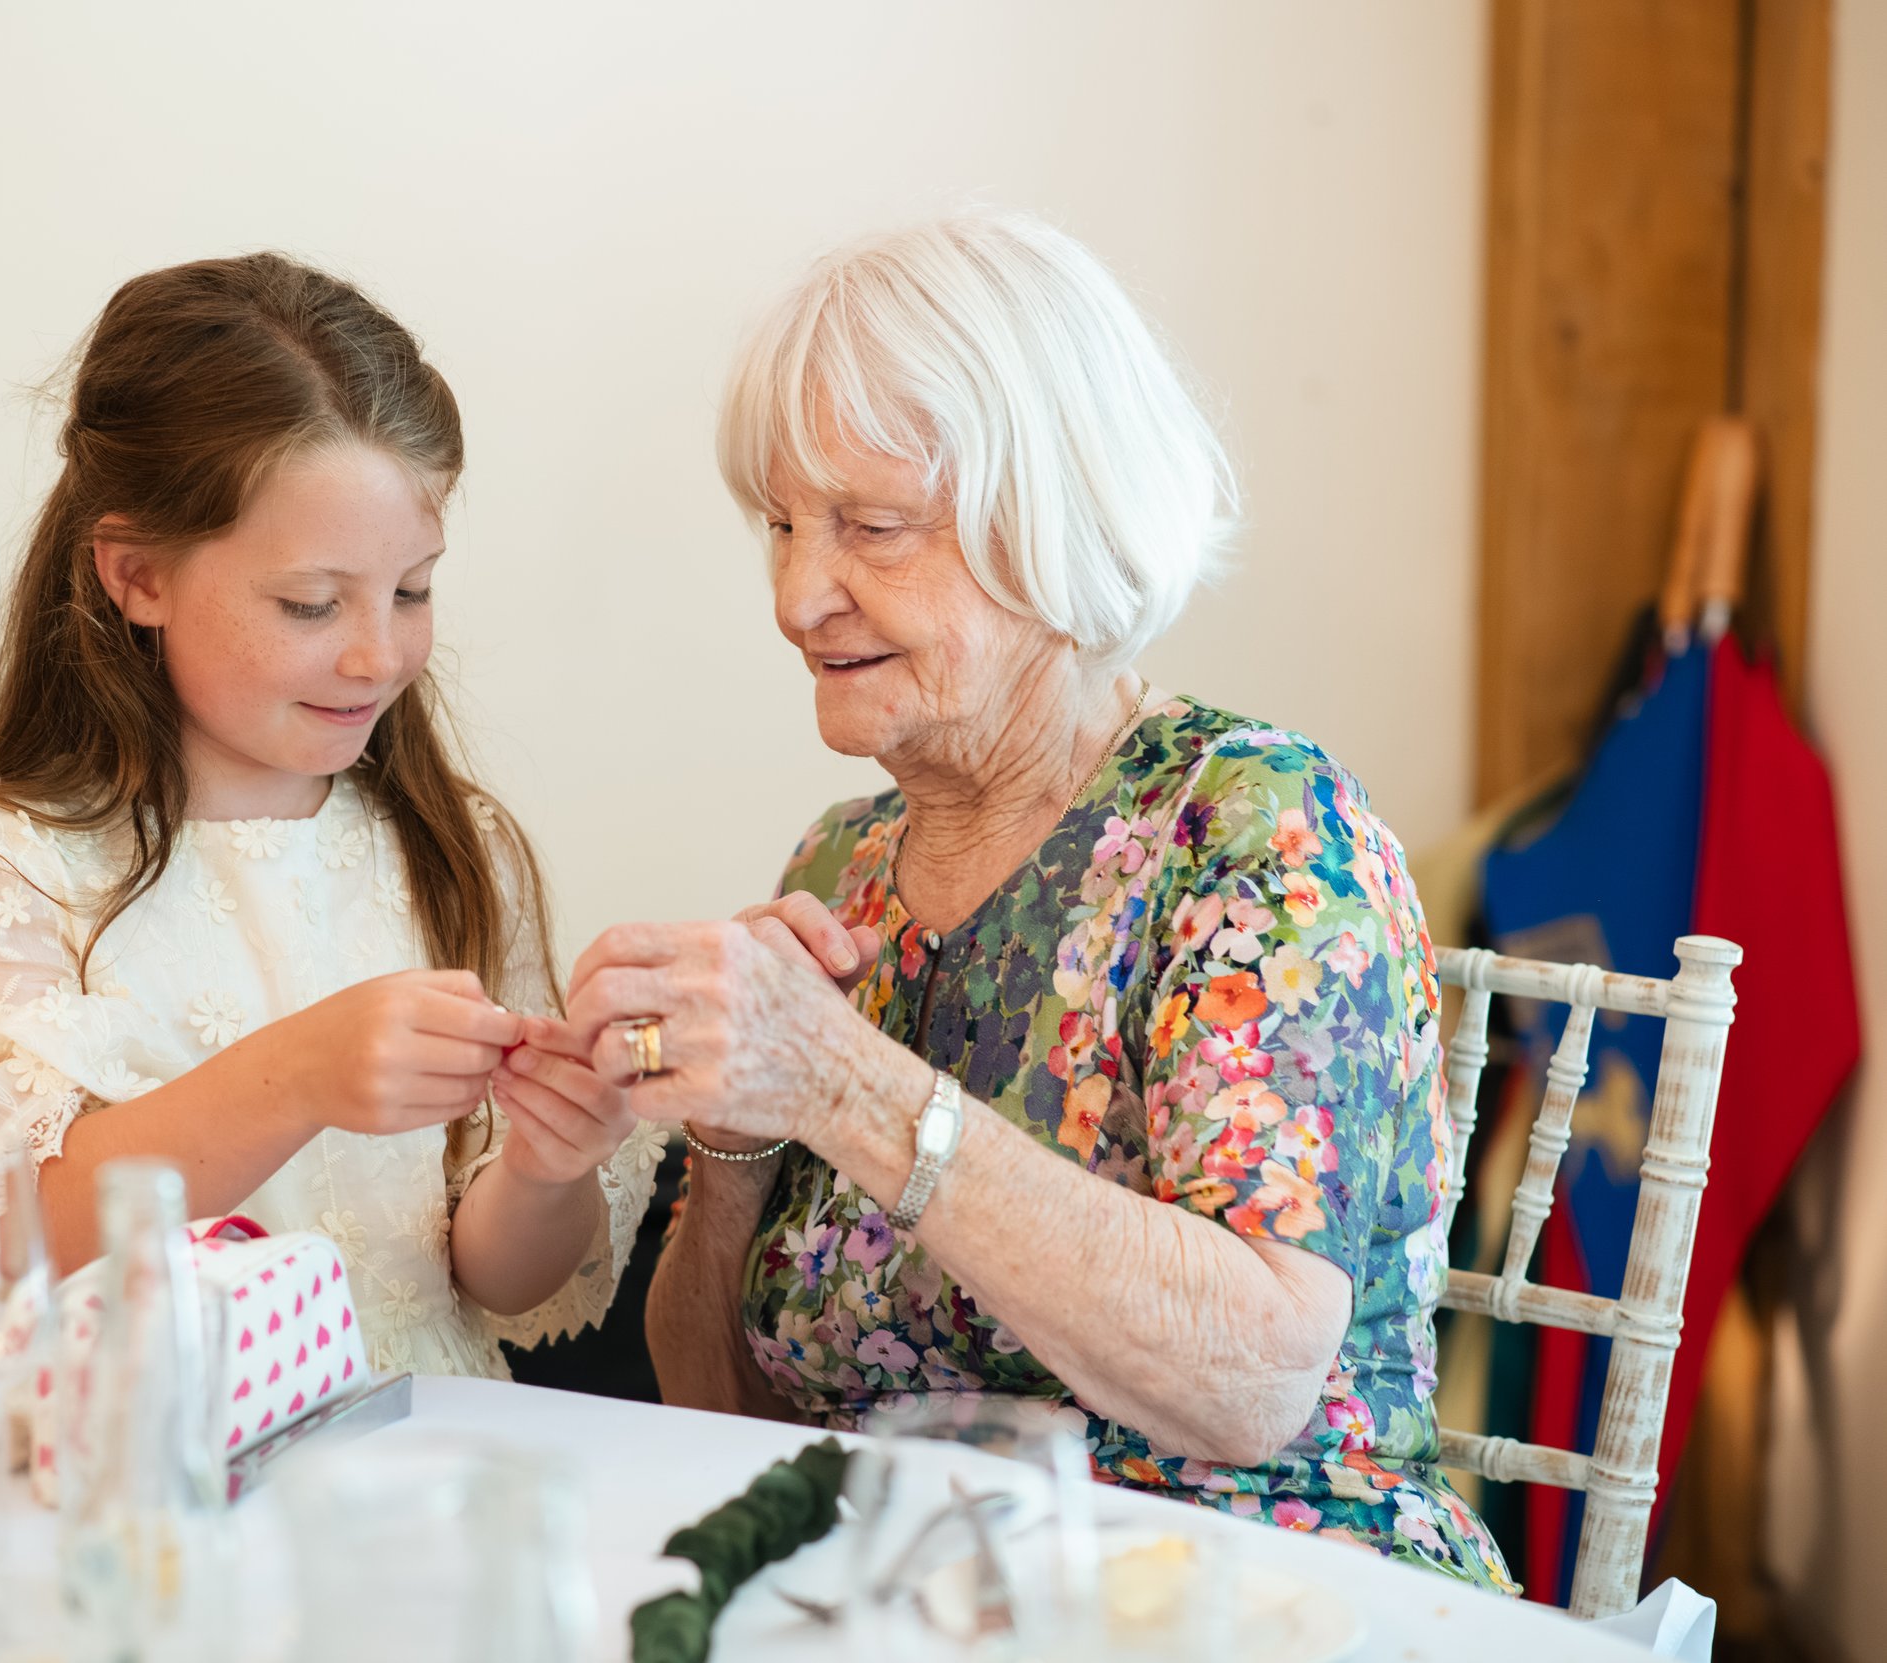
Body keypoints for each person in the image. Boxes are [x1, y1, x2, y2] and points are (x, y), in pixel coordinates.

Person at [574, 210, 1513, 1589]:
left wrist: (840, 1081)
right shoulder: (837, 867)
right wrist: (730, 1141)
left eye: (870, 526)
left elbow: (1251, 1380)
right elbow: (725, 1419)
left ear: (1057, 515)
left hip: (1258, 1587)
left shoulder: (1249, 828)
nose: (797, 596)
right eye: (780, 525)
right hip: (909, 1589)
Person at [0, 254, 663, 1379]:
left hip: (421, 1445)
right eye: (310, 603)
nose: (378, 654)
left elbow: (500, 1282)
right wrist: (296, 1075)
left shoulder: (454, 849)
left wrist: (545, 1161)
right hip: (151, 1450)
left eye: (412, 589)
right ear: (137, 575)